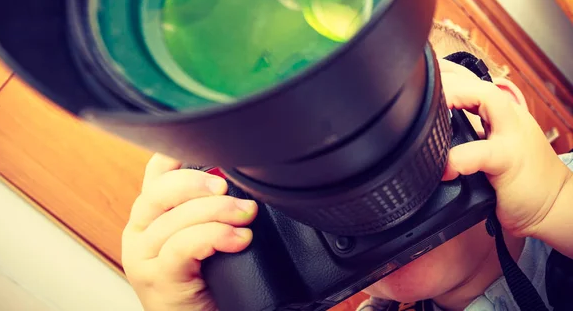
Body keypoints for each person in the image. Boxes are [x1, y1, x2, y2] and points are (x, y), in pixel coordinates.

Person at [121, 21, 573, 311]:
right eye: (312, 167)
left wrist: (556, 202)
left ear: (501, 112)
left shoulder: (562, 188)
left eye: (399, 122)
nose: (361, 184)